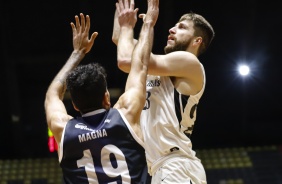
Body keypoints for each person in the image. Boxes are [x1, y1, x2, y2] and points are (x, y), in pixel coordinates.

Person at [44, 1, 159, 182]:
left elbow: (52, 94)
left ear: (74, 105)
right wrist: (148, 23)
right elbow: (140, 66)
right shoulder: (125, 114)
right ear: (107, 97)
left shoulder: (64, 129)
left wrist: (78, 53)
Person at [112, 0, 215, 183]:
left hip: (177, 165)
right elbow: (120, 39)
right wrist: (123, 12)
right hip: (163, 167)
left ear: (197, 41)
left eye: (181, 27)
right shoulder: (159, 68)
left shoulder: (190, 63)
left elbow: (126, 60)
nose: (172, 29)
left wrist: (144, 25)